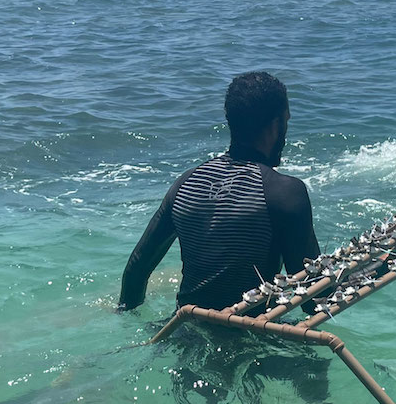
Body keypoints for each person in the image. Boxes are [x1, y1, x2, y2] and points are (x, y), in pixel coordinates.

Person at [117, 71, 320, 313]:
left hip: (183, 331)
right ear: (275, 125)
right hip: (250, 338)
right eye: (286, 121)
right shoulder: (285, 192)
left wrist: (126, 314)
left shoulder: (186, 184)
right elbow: (312, 296)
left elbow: (136, 269)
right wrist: (373, 268)